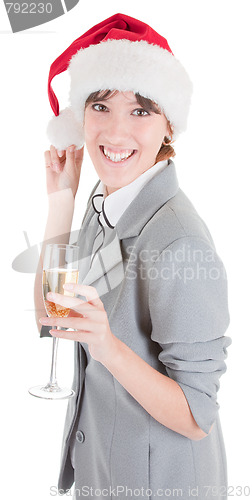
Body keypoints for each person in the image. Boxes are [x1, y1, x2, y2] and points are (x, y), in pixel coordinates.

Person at [35, 13, 232, 500]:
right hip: (105, 475)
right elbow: (52, 315)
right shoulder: (111, 207)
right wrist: (62, 200)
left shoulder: (179, 243)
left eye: (141, 111)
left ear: (169, 126)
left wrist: (108, 349)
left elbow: (196, 415)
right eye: (100, 105)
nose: (115, 131)